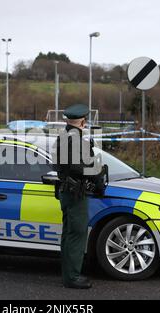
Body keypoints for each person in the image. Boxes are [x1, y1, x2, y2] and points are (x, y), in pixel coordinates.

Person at [52, 104, 104, 289]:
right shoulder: (78, 140)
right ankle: (72, 277)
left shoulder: (62, 137)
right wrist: (98, 179)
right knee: (77, 234)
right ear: (83, 121)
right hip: (75, 193)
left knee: (68, 234)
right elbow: (83, 167)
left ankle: (68, 274)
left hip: (66, 191)